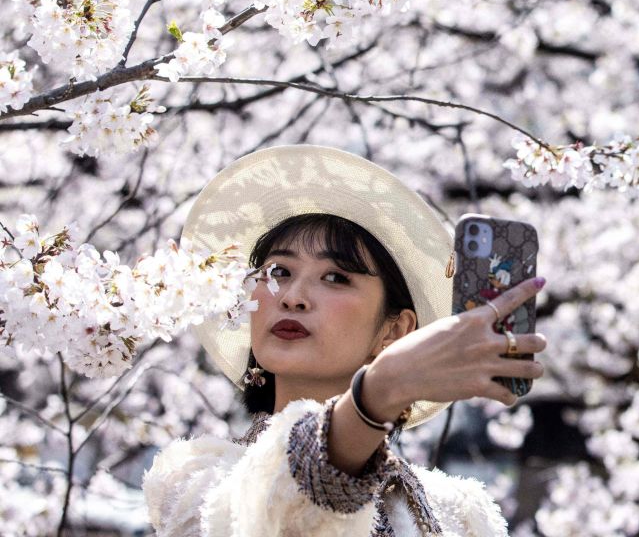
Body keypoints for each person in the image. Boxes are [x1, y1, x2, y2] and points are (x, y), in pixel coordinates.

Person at [142, 144, 547, 536]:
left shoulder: (459, 514)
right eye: (279, 271)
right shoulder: (197, 480)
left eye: (335, 277)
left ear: (394, 331)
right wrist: (379, 392)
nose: (292, 296)